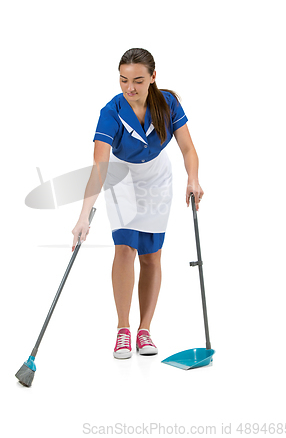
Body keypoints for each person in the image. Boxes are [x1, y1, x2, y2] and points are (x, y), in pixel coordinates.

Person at [71, 48, 204, 359]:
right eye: (123, 80)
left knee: (151, 256)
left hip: (157, 179)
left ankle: (145, 330)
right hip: (122, 179)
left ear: (153, 78)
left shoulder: (168, 104)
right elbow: (99, 168)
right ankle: (122, 330)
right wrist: (83, 216)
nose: (129, 88)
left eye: (138, 80)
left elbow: (188, 150)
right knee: (125, 248)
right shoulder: (110, 112)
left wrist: (193, 179)